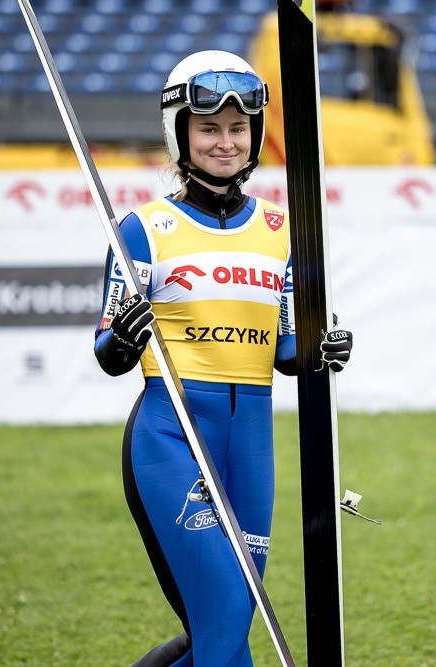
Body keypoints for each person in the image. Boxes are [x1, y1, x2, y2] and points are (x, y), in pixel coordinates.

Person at [92, 50, 353, 667]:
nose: (226, 142)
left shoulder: (284, 230)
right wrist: (126, 335)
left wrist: (322, 347)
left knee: (226, 622)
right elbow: (108, 353)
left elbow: (288, 352)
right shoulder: (143, 229)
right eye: (209, 128)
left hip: (252, 445)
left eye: (238, 128)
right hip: (172, 434)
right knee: (227, 612)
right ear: (179, 132)